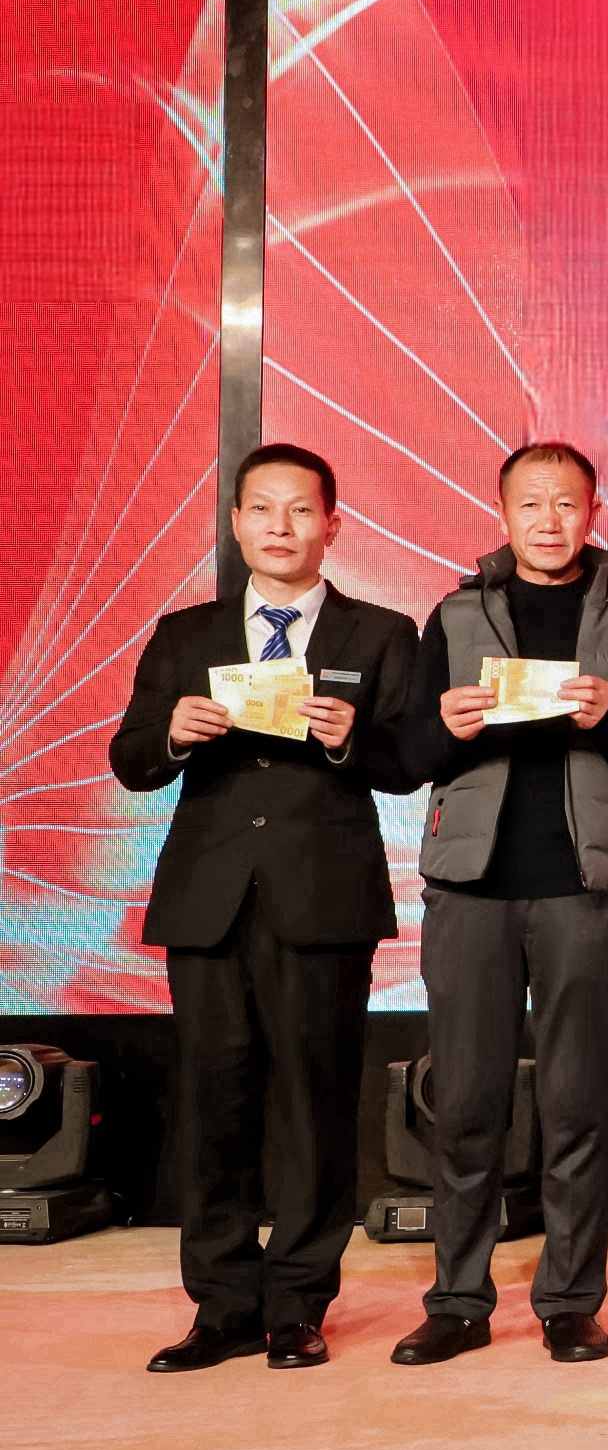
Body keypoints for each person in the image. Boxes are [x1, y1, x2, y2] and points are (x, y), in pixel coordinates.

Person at [109, 445, 422, 1372]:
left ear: (333, 525)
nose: (281, 526)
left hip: (323, 897)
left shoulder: (380, 632)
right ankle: (221, 1306)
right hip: (208, 897)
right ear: (238, 522)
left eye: (301, 510)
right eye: (262, 509)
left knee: (315, 1103)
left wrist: (352, 738)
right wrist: (172, 732)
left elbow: (411, 762)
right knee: (212, 1099)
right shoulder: (185, 633)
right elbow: (130, 757)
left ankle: (297, 1303)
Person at [393, 441, 608, 1366]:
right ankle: (458, 1299)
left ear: (593, 512)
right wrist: (448, 726)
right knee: (466, 1099)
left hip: (582, 886)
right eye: (531, 503)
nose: (549, 520)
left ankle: (569, 1300)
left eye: (566, 504)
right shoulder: (457, 612)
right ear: (503, 511)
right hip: (470, 885)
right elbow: (409, 756)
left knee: (575, 1100)